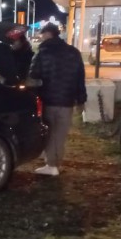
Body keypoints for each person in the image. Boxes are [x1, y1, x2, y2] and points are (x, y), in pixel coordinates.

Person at [28, 23, 87, 176]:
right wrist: (81, 100)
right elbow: (80, 78)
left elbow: (33, 76)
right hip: (67, 100)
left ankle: (51, 165)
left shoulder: (43, 52)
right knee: (60, 133)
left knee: (50, 132)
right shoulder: (74, 52)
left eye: (42, 34)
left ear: (48, 34)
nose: (41, 36)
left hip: (49, 99)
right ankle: (53, 161)